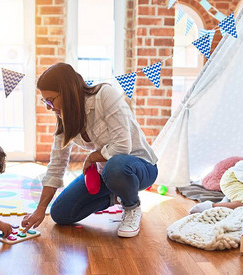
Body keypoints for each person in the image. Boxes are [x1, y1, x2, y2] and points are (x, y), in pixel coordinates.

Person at [21, 63, 158, 237]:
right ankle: (115, 197)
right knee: (60, 214)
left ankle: (132, 207)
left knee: (115, 166)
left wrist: (93, 157)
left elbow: (123, 146)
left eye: (50, 100)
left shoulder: (105, 95)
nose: (48, 107)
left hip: (140, 167)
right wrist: (39, 209)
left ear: (67, 91)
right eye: (44, 101)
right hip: (106, 173)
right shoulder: (64, 118)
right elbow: (56, 165)